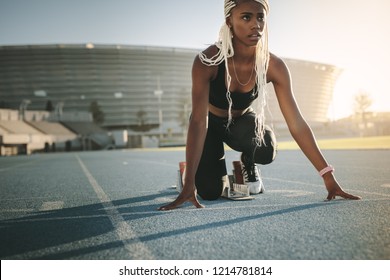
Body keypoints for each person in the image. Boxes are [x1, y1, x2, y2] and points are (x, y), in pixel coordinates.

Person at [158, 0, 361, 211]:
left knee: (265, 147)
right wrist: (190, 183)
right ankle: (188, 172)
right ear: (229, 22)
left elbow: (297, 123)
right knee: (209, 192)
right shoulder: (207, 61)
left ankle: (246, 162)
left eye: (260, 17)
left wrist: (327, 175)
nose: (256, 24)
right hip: (209, 124)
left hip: (241, 121)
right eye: (246, 17)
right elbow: (199, 121)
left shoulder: (273, 66)